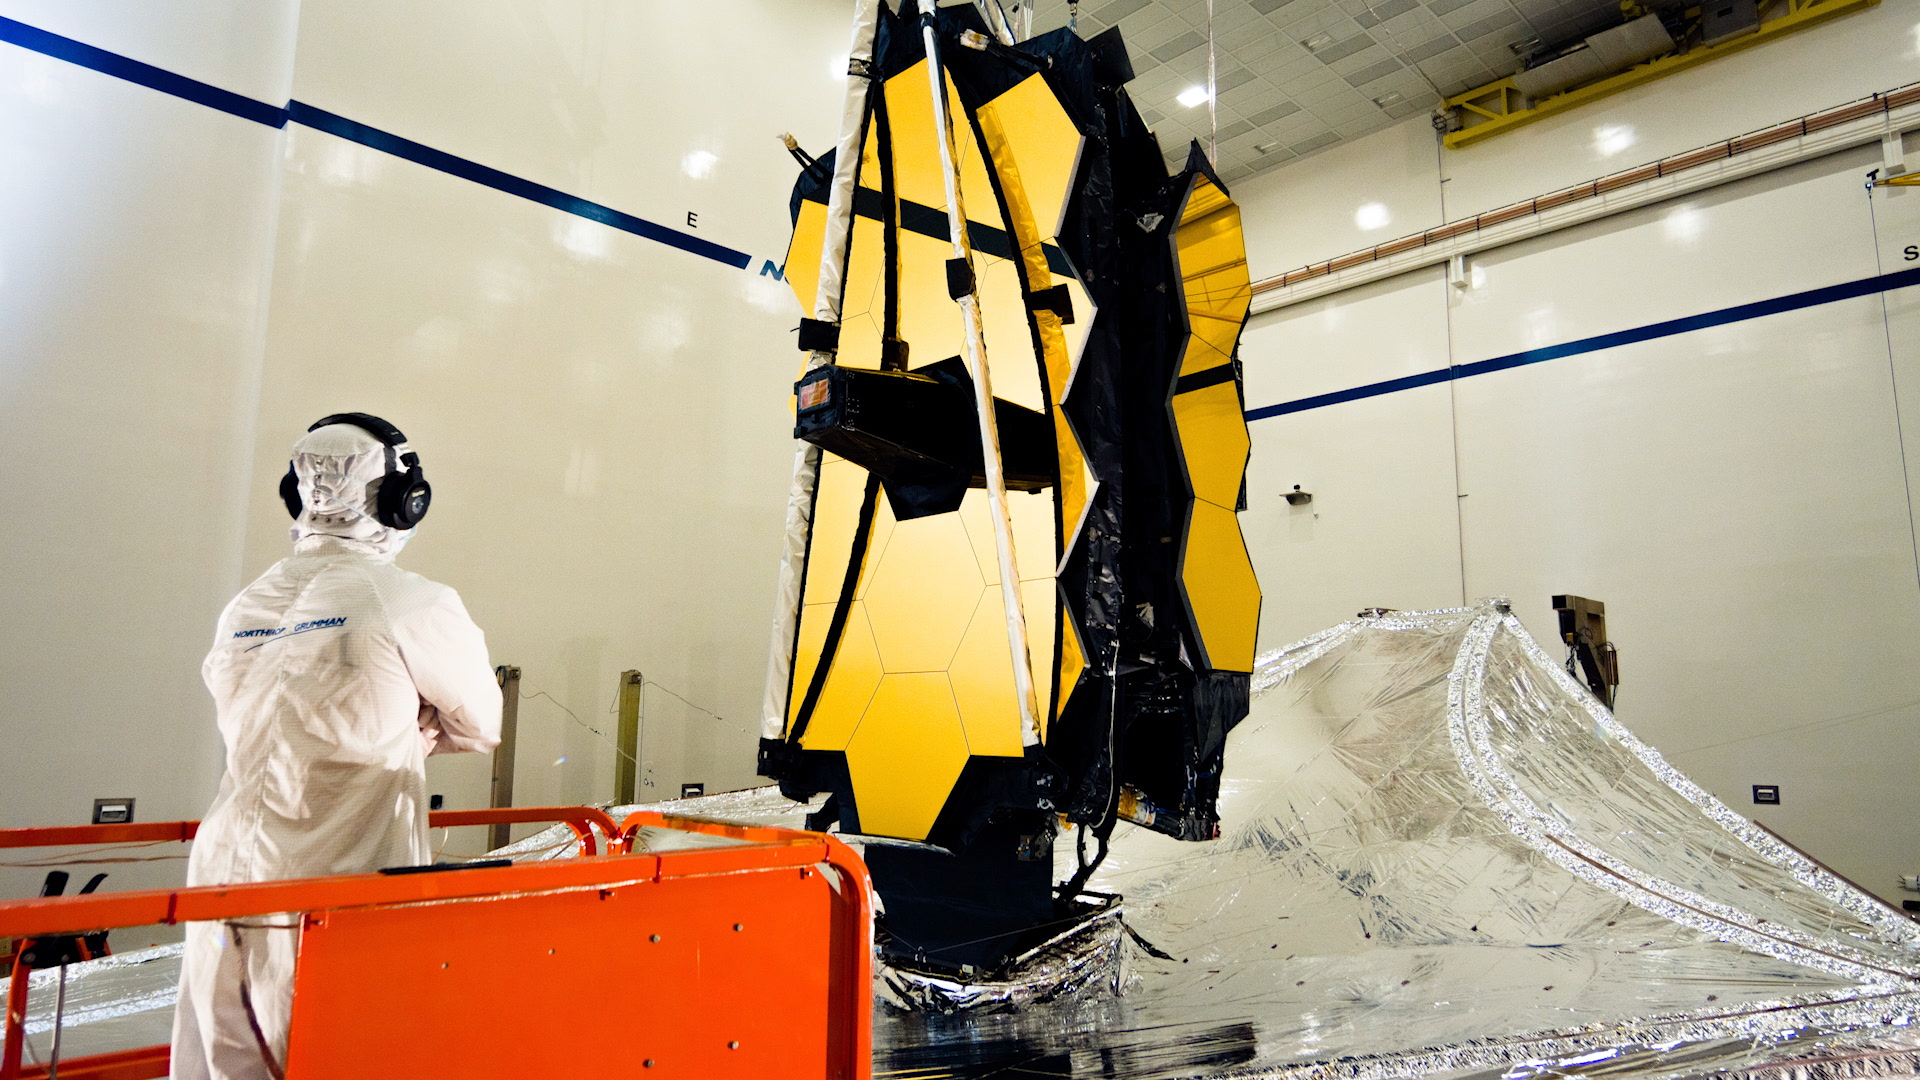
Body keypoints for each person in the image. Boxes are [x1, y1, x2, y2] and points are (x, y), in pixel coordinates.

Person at [171, 415, 501, 1080]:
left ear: (297, 496)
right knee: (334, 1054)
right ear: (405, 499)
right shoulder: (412, 602)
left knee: (224, 1062)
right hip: (336, 881)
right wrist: (407, 725)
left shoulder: (246, 604)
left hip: (222, 877)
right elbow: (480, 725)